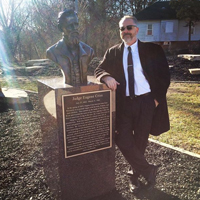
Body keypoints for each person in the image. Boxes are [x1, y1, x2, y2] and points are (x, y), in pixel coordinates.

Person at [95, 16, 170, 193]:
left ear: (137, 29)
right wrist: (106, 77)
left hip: (146, 102)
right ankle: (147, 169)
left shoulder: (153, 50)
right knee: (121, 138)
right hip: (124, 104)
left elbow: (164, 76)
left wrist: (156, 100)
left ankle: (133, 177)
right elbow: (98, 69)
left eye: (129, 27)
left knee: (141, 141)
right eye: (122, 29)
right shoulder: (113, 52)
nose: (125, 31)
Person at [46, 9, 94, 86]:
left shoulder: (89, 51)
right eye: (70, 26)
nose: (74, 28)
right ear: (60, 28)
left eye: (76, 24)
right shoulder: (53, 52)